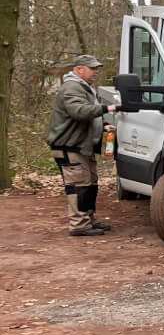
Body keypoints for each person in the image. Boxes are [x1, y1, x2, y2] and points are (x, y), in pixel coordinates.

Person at [45, 54, 119, 237]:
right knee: (78, 186)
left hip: (83, 146)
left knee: (90, 184)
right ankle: (78, 224)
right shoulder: (71, 88)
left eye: (96, 68)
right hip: (69, 146)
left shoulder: (85, 88)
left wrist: (102, 126)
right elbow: (78, 112)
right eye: (92, 68)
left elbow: (88, 116)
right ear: (79, 69)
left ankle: (88, 219)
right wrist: (108, 108)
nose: (95, 72)